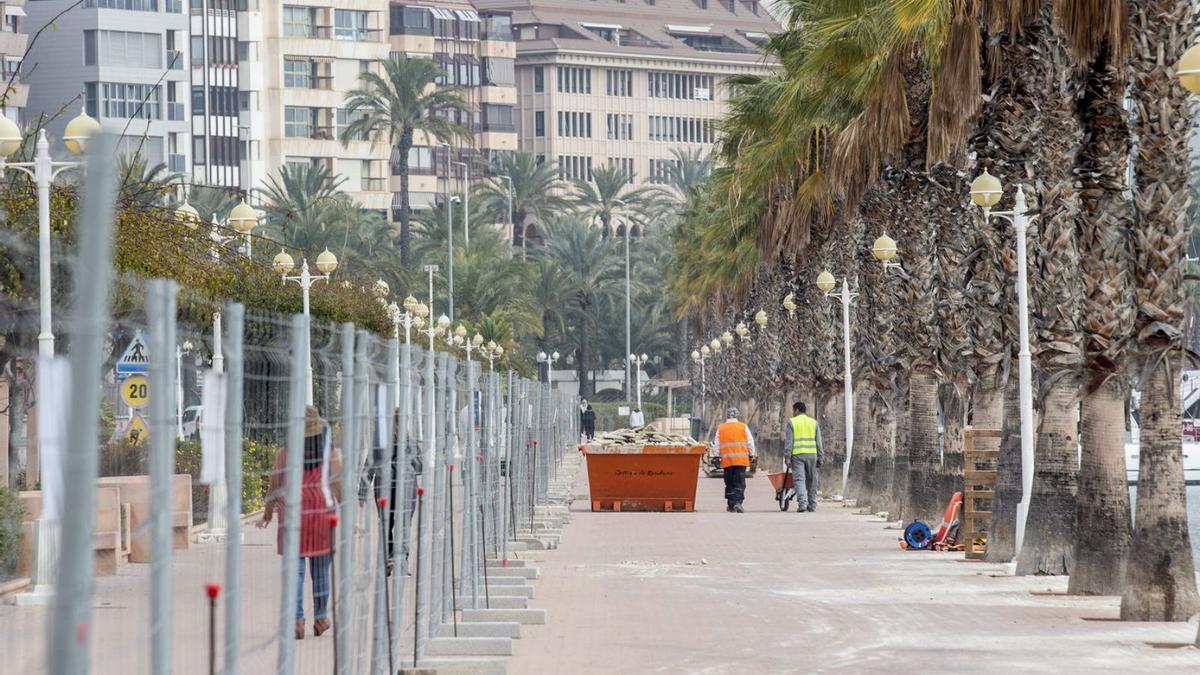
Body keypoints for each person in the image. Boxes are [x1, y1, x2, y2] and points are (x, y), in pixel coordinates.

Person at [260, 405, 343, 639]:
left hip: (292, 513)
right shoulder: (331, 453)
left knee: (294, 572)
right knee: (320, 571)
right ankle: (320, 618)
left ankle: (297, 620)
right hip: (321, 512)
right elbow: (337, 483)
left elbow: (275, 485)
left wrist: (268, 512)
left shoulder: (284, 453)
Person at [713, 406, 756, 513]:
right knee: (740, 482)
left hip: (727, 461)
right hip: (741, 461)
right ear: (737, 415)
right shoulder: (743, 426)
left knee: (729, 482)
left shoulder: (721, 428)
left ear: (727, 415)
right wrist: (751, 454)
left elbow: (717, 444)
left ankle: (731, 504)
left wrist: (716, 457)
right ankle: (738, 503)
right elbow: (750, 443)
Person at [786, 401, 823, 512]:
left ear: (797, 410)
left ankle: (802, 503)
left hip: (797, 455)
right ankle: (812, 504)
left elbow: (789, 442)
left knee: (800, 480)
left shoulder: (792, 422)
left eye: (793, 410)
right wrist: (820, 457)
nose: (793, 413)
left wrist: (787, 457)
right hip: (812, 455)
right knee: (812, 480)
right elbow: (819, 442)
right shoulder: (813, 422)